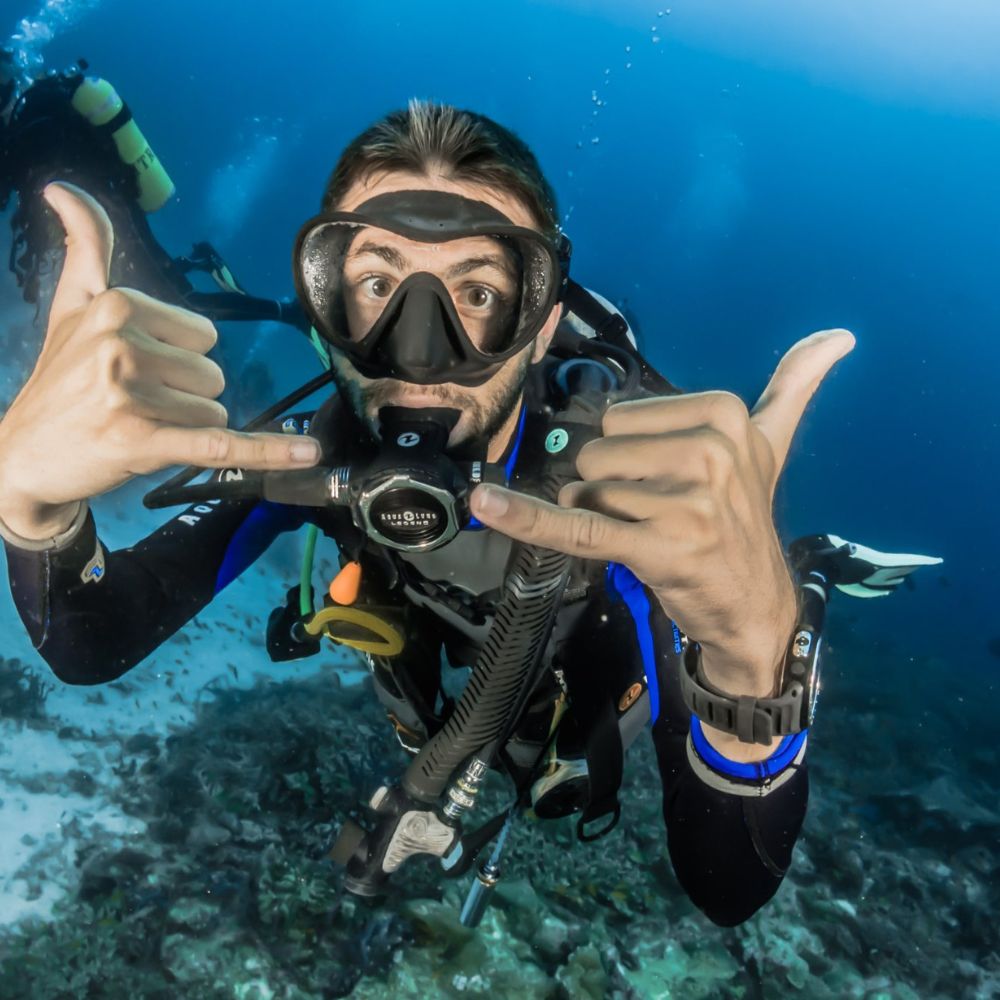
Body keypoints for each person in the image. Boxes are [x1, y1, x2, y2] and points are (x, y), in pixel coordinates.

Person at [0, 97, 917, 926]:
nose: (421, 350)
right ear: (323, 307)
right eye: (374, 285)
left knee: (751, 600)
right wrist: (27, 500)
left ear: (543, 322)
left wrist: (756, 653)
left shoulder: (624, 487)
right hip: (446, 696)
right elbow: (91, 637)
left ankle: (804, 572)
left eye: (479, 293)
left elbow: (729, 883)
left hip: (585, 692)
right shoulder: (310, 448)